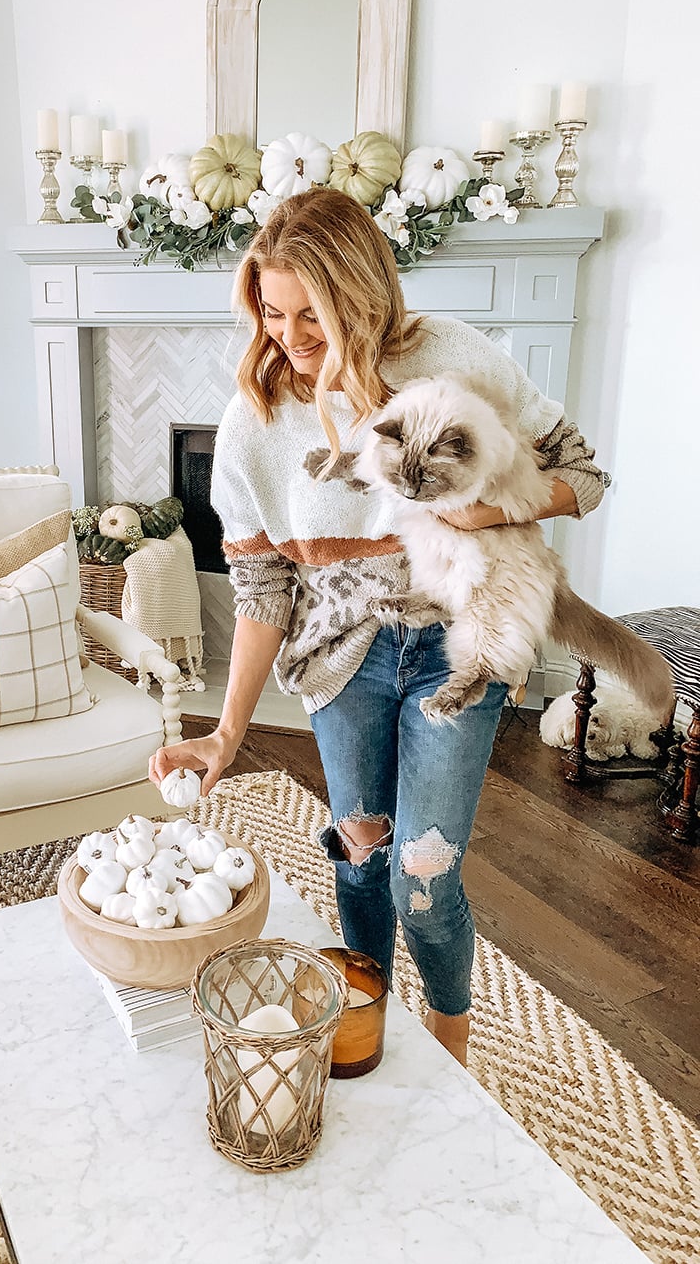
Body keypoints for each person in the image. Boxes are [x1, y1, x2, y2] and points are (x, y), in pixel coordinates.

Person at [149, 187, 607, 1067]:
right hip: (341, 665)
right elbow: (261, 590)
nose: (289, 335)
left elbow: (582, 475)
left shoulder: (452, 358)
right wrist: (226, 732)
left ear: (361, 288)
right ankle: (368, 1031)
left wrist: (479, 515)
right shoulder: (258, 419)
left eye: (310, 310)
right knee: (359, 862)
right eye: (271, 312)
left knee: (424, 879)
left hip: (456, 644)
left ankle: (451, 1046)